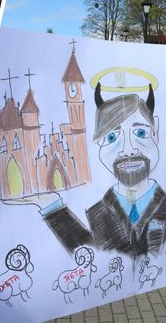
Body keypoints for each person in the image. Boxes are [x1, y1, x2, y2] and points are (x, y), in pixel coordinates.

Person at [36, 83, 166, 258]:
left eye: (141, 133)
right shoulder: (99, 212)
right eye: (112, 137)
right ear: (99, 145)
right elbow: (92, 259)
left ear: (156, 132)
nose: (128, 150)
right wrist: (53, 207)